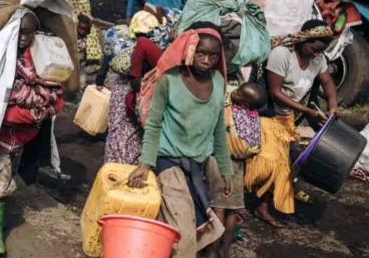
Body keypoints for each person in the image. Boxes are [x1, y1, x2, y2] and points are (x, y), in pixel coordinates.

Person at [128, 21, 232, 258]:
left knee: (187, 229)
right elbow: (153, 126)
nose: (206, 60)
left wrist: (225, 170)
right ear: (189, 50)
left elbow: (218, 129)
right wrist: (145, 164)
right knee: (183, 231)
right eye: (201, 53)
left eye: (213, 55)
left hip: (197, 166)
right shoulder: (169, 80)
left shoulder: (217, 82)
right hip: (169, 163)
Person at [0, 12, 64, 255]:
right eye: (22, 31)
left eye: (30, 33)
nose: (25, 38)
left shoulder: (41, 59)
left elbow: (55, 93)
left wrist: (33, 104)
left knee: (5, 171)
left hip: (23, 131)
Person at [245, 19, 337, 226]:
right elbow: (274, 93)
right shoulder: (282, 55)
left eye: (320, 50)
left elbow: (327, 82)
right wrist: (306, 111)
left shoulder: (318, 58)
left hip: (288, 117)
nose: (316, 53)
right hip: (268, 114)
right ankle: (261, 205)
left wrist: (333, 105)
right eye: (314, 47)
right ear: (304, 38)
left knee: (293, 161)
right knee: (276, 161)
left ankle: (267, 201)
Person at [207, 82, 267, 258]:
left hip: (220, 162)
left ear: (245, 104)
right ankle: (225, 250)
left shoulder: (231, 111)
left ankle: (212, 250)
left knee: (218, 207)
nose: (236, 93)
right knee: (232, 209)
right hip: (239, 164)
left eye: (240, 94)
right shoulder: (253, 116)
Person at [97, 11, 162, 164]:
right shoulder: (147, 45)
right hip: (137, 91)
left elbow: (106, 61)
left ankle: (114, 165)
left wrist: (99, 80)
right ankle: (130, 166)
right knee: (134, 132)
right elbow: (137, 79)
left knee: (116, 130)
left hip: (120, 89)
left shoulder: (117, 41)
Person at [76, 13, 102, 103]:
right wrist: (77, 15)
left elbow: (92, 20)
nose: (82, 31)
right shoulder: (72, 33)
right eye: (80, 28)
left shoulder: (86, 34)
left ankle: (78, 101)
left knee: (82, 83)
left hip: (81, 62)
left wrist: (83, 13)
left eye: (84, 29)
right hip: (73, 61)